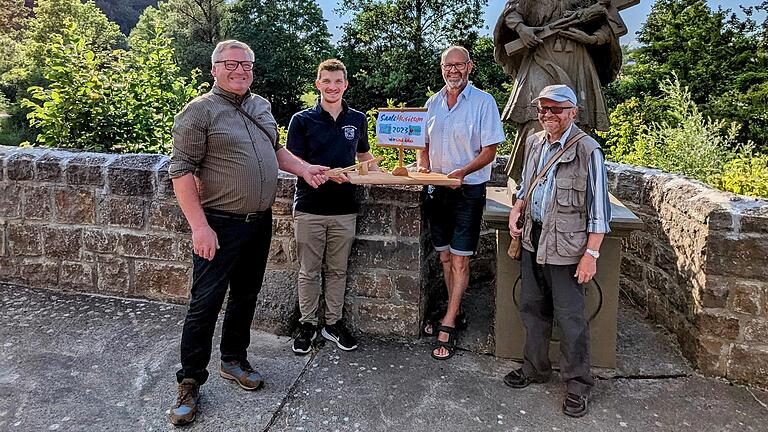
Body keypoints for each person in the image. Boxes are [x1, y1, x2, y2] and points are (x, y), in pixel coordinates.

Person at [167, 40, 329, 427]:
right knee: (204, 303)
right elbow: (181, 171)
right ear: (215, 69)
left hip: (259, 221)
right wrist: (200, 227)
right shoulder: (198, 112)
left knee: (245, 295)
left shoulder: (260, 106)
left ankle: (234, 359)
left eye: (247, 65)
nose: (241, 70)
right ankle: (190, 380)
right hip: (218, 223)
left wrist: (304, 169)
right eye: (232, 64)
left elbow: (276, 152)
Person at [505, 84, 611, 418]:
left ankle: (578, 385)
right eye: (542, 109)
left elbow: (599, 212)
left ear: (572, 112)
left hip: (567, 248)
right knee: (532, 308)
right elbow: (526, 184)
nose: (547, 115)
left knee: (571, 319)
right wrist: (516, 208)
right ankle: (535, 367)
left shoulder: (588, 150)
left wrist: (591, 255)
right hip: (533, 239)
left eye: (554, 109)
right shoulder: (535, 142)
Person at [417, 46, 506, 360]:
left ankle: (450, 321)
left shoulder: (484, 102)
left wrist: (463, 172)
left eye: (458, 65)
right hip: (437, 190)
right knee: (444, 258)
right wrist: (424, 167)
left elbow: (489, 151)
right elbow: (422, 145)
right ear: (442, 68)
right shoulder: (432, 103)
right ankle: (456, 309)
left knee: (460, 261)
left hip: (468, 190)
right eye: (447, 65)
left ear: (470, 67)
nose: (452, 70)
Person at [287, 59, 377, 355]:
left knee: (337, 271)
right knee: (309, 271)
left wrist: (399, 173)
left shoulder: (358, 119)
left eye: (338, 81)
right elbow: (295, 164)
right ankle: (308, 324)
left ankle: (333, 323)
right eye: (326, 81)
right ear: (318, 84)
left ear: (345, 85)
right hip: (310, 208)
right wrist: (325, 174)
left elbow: (364, 156)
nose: (332, 86)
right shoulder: (301, 120)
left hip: (345, 209)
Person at [493, 0, 623, 179]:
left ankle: (575, 180)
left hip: (577, 58)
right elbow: (511, 12)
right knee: (536, 116)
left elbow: (609, 24)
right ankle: (528, 179)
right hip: (540, 53)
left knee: (575, 117)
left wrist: (591, 39)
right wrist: (522, 30)